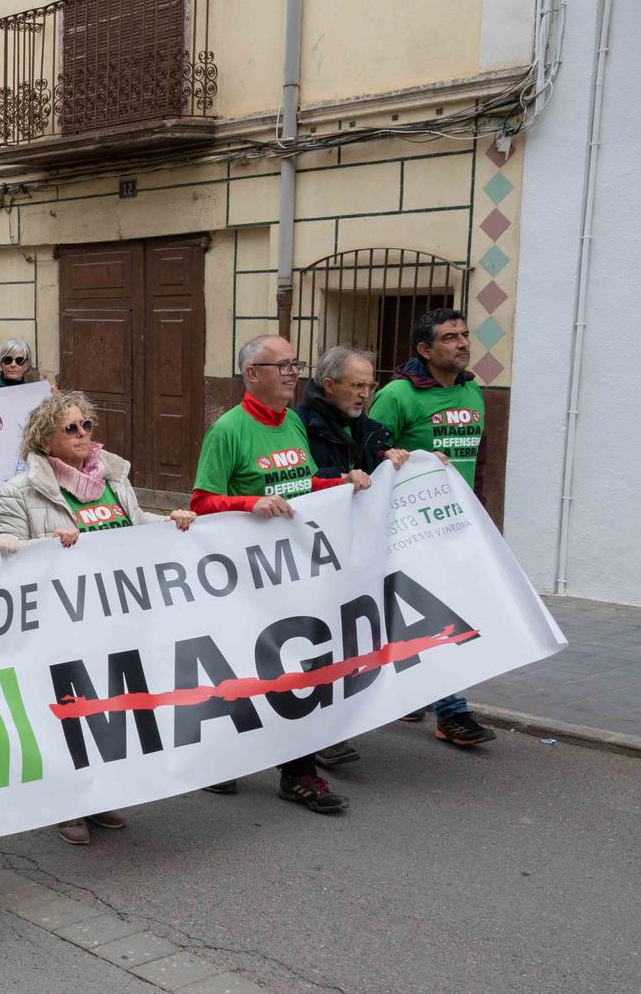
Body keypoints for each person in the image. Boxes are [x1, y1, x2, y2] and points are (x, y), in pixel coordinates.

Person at [0, 390, 198, 842]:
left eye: (87, 425)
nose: (84, 434)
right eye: (71, 428)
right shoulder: (21, 492)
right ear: (46, 440)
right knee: (67, 711)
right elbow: (1, 552)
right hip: (59, 625)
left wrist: (170, 523)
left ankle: (98, 795)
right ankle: (65, 804)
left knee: (110, 708)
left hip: (117, 618)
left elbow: (135, 523)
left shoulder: (113, 477)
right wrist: (46, 546)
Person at [192, 335, 369, 812]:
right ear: (253, 374)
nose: (293, 372)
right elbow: (201, 502)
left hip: (297, 573)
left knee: (303, 667)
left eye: (295, 364)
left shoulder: (291, 421)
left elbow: (299, 483)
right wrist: (250, 503)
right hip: (246, 580)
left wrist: (340, 481)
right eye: (282, 365)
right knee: (248, 672)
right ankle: (223, 760)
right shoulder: (229, 430)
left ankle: (300, 774)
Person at [371, 308, 498, 748]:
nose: (462, 343)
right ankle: (452, 712)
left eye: (464, 335)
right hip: (408, 528)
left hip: (457, 526)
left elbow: (475, 459)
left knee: (438, 610)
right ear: (424, 350)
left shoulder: (472, 391)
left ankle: (412, 691)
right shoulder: (397, 396)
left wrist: (478, 513)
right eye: (449, 338)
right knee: (444, 614)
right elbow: (369, 457)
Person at [295, 346, 411, 769]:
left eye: (369, 385)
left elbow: (382, 474)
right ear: (329, 386)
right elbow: (298, 483)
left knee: (344, 642)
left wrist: (396, 460)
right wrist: (337, 481)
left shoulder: (371, 431)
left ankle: (330, 727)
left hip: (354, 555)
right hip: (312, 554)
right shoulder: (301, 427)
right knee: (313, 643)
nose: (365, 393)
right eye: (357, 385)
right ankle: (311, 736)